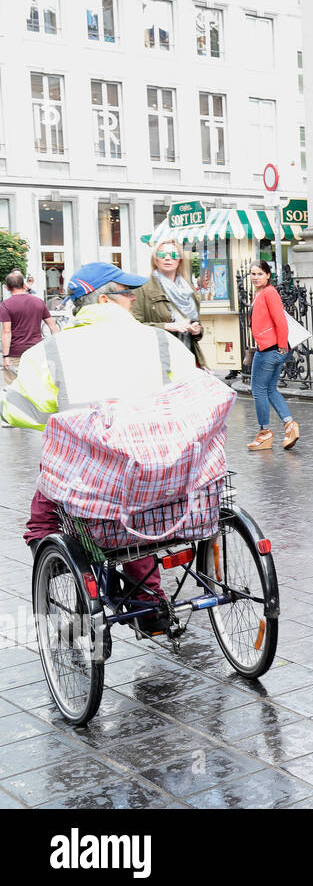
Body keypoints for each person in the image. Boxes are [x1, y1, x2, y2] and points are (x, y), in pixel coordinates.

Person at [2, 262, 201, 634]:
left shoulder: (49, 353)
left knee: (42, 521)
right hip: (157, 474)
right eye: (127, 293)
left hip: (86, 480)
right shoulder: (161, 343)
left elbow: (19, 413)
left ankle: (77, 589)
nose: (133, 300)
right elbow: (194, 394)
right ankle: (149, 603)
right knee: (137, 527)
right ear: (105, 298)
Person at [247, 258, 300, 451]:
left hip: (270, 349)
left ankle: (265, 433)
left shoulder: (269, 292)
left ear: (268, 275)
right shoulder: (261, 292)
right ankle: (290, 425)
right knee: (270, 390)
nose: (255, 277)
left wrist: (280, 347)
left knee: (258, 390)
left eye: (260, 273)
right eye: (253, 274)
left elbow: (280, 321)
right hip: (272, 348)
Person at [132, 238, 207, 369]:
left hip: (189, 355)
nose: (168, 258)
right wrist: (167, 326)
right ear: (156, 259)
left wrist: (197, 330)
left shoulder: (189, 290)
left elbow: (197, 323)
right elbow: (135, 327)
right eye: (162, 254)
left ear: (180, 260)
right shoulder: (143, 288)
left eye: (173, 255)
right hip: (159, 359)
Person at [2, 270, 59, 386]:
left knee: (13, 388)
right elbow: (53, 326)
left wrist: (5, 356)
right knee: (37, 384)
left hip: (15, 353)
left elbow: (6, 332)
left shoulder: (5, 305)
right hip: (37, 351)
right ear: (24, 285)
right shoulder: (38, 302)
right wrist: (57, 349)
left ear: (7, 288)